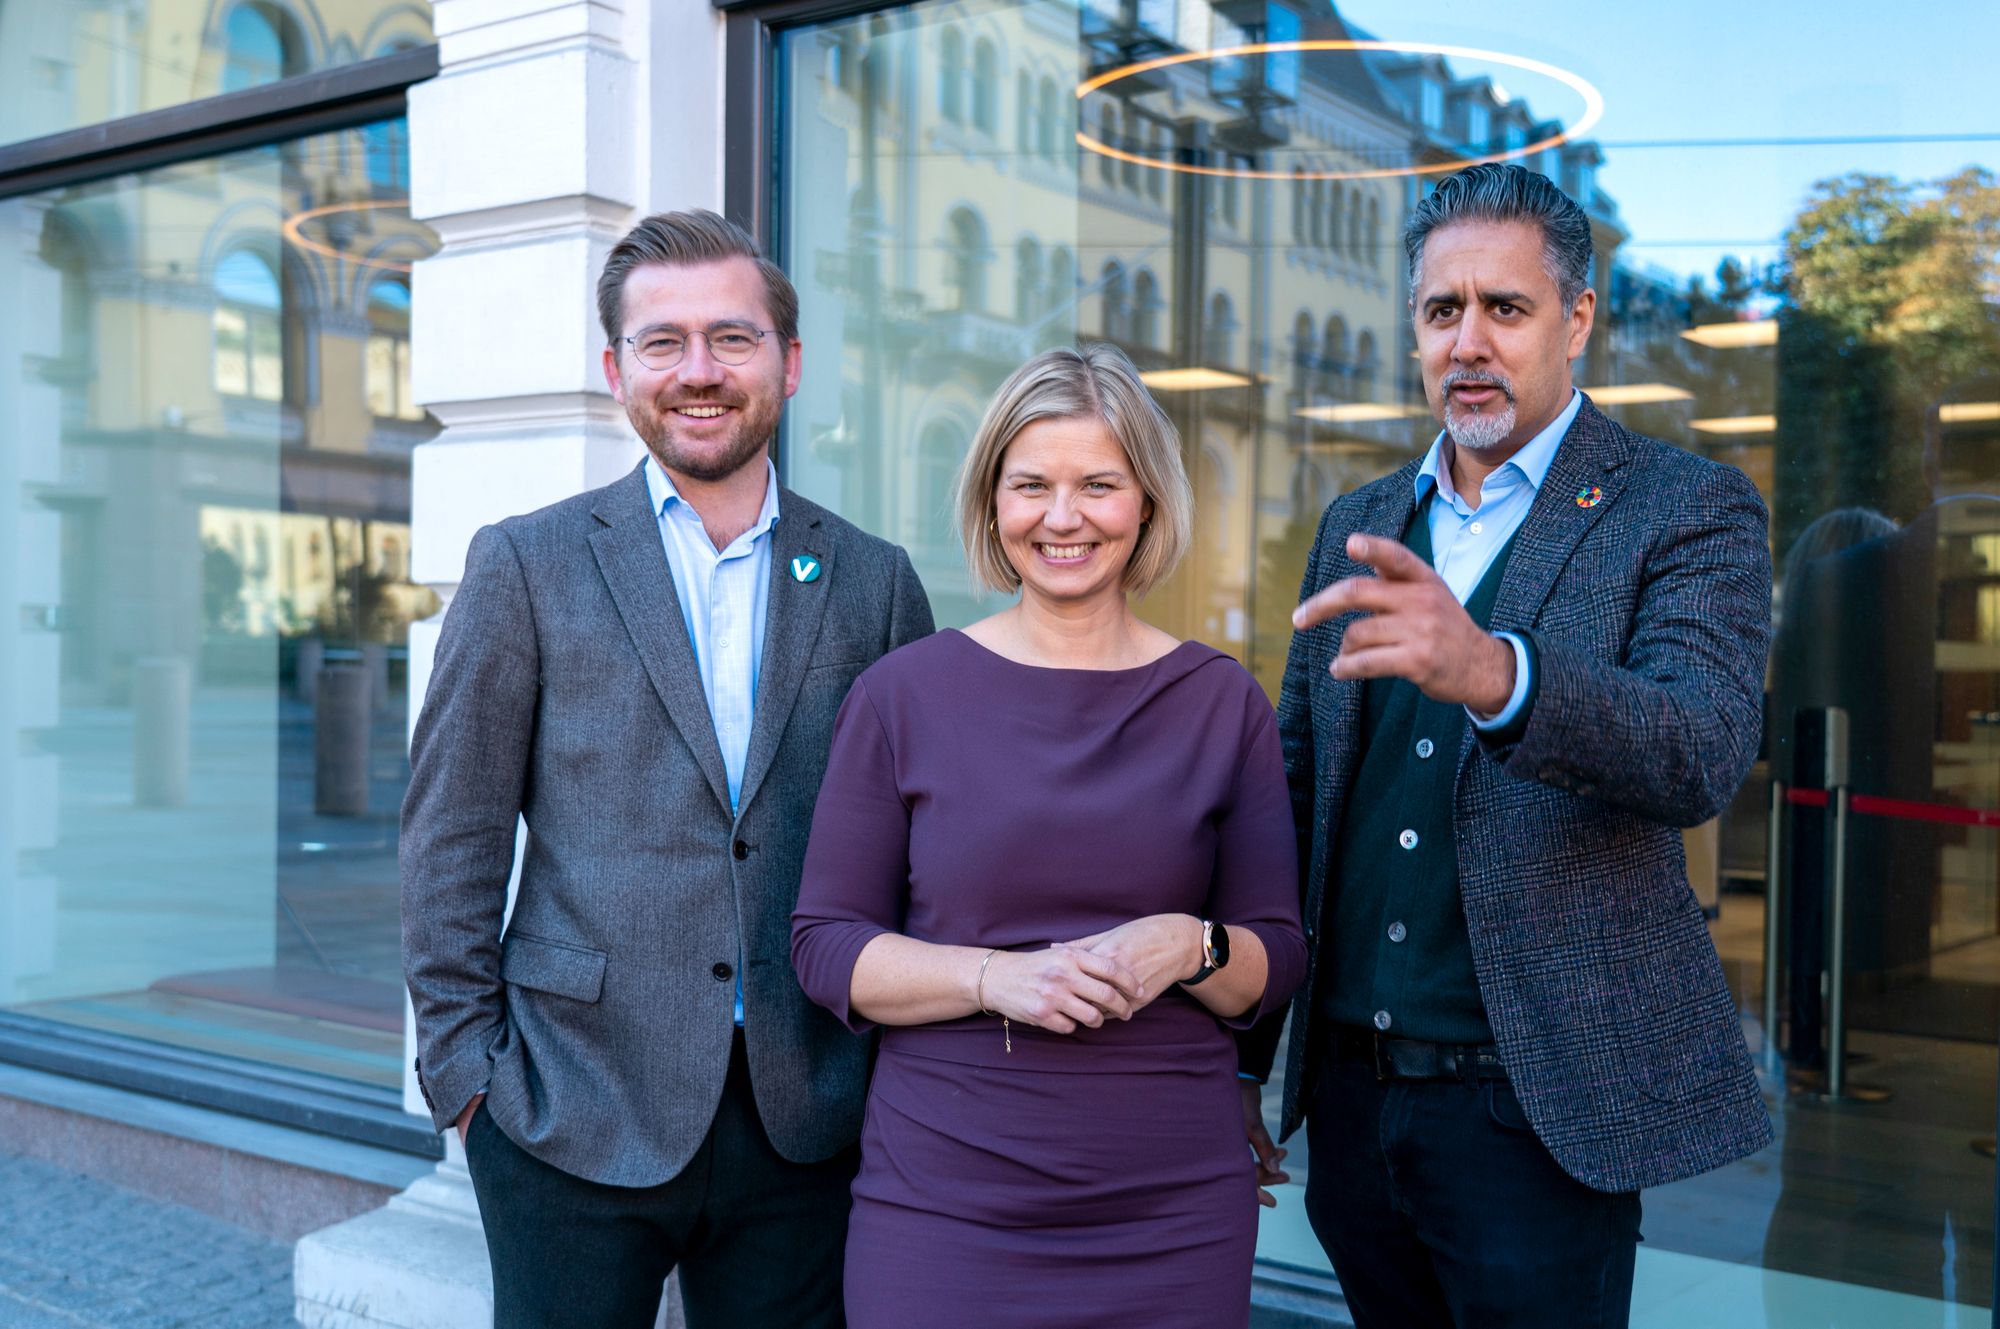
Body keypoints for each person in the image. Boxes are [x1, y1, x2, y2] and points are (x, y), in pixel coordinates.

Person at [1238, 163, 1775, 1329]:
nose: (1467, 343)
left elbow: (1698, 746)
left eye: (1505, 308)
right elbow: (1298, 795)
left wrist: (1492, 672)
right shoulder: (1361, 521)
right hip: (1349, 1096)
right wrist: (1244, 1059)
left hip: (1533, 1115)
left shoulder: (1682, 507)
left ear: (1575, 320)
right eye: (1442, 312)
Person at [401, 209, 933, 1329]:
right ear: (615, 371)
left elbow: (916, 851)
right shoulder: (525, 563)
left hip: (808, 1115)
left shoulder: (875, 583)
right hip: (566, 1105)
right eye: (662, 343)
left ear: (788, 365)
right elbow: (452, 829)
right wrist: (466, 1082)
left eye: (732, 339)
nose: (699, 372)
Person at [791, 343, 1307, 1329]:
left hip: (1172, 1207)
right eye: (1030, 485)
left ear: (1146, 504)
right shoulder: (903, 696)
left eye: (1098, 485)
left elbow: (1271, 962)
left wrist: (1185, 944)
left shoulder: (1220, 703)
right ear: (991, 504)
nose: (1062, 517)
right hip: (943, 1202)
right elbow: (824, 946)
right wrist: (993, 977)